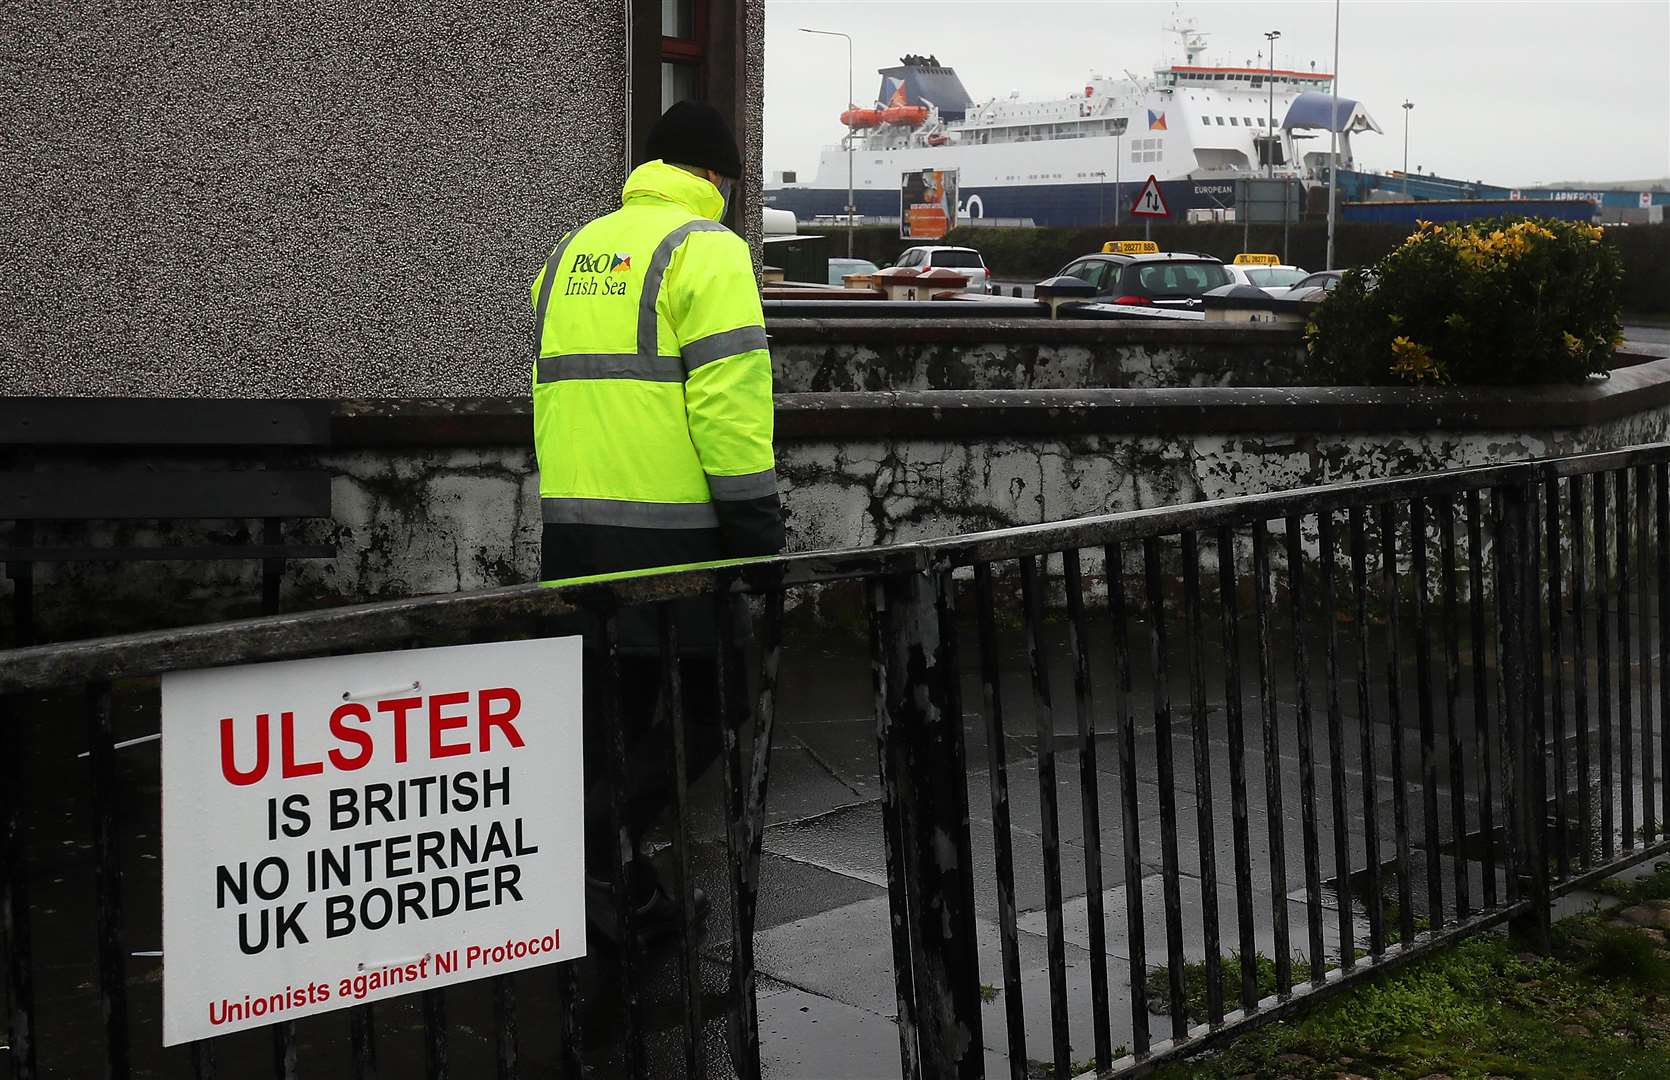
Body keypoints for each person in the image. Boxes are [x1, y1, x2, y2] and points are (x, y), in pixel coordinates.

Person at [529, 101, 783, 943]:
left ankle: (622, 899)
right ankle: (597, 850)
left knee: (615, 719)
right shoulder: (707, 252)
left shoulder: (569, 252)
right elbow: (730, 408)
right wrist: (757, 538)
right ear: (713, 178)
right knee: (718, 703)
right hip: (675, 544)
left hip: (575, 537)